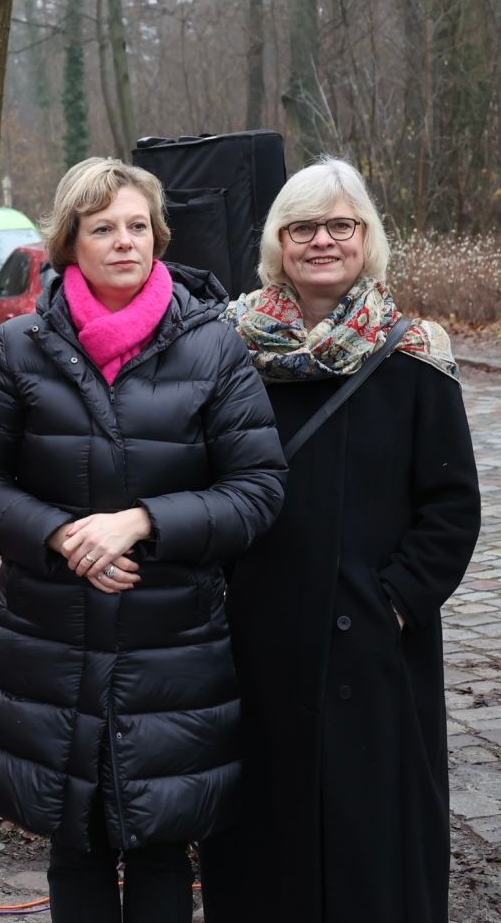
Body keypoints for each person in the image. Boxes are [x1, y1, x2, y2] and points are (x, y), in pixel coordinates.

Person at [0, 157, 285, 923]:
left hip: (173, 645)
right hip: (53, 639)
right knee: (77, 841)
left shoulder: (213, 347)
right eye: (103, 228)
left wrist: (145, 522)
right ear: (70, 242)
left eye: (138, 226)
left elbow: (258, 489)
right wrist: (60, 535)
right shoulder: (17, 349)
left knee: (163, 843)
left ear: (158, 237)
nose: (124, 242)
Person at [201, 158, 480, 923]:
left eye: (340, 225)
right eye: (302, 227)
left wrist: (393, 604)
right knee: (263, 846)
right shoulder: (225, 350)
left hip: (373, 647)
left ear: (367, 238)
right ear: (277, 242)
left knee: (373, 852)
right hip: (254, 643)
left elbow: (452, 506)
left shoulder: (417, 351)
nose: (322, 240)